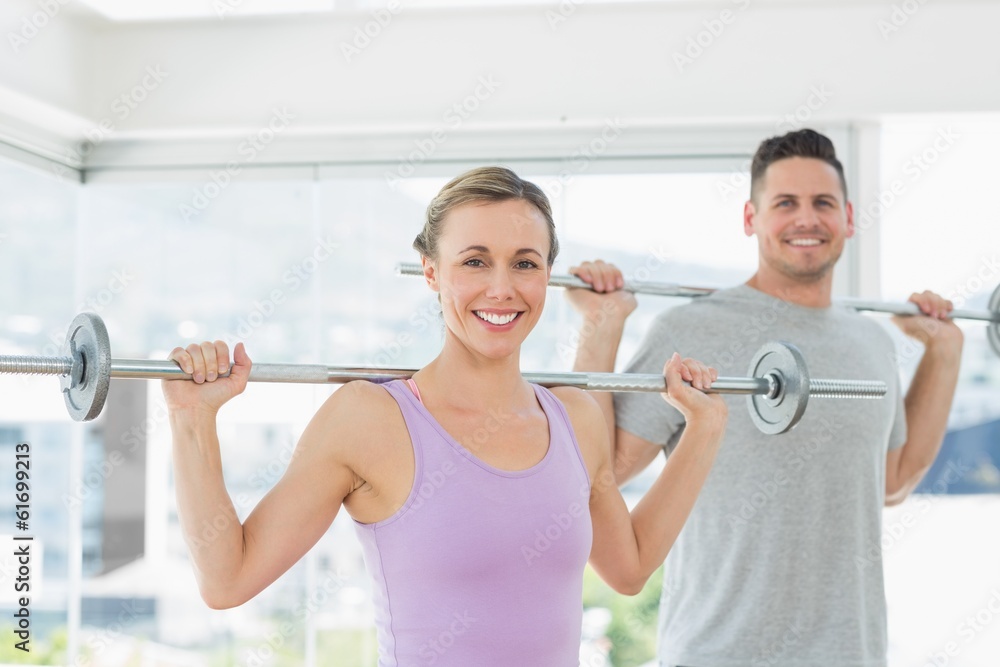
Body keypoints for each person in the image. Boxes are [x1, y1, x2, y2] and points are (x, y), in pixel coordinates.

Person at [163, 166, 729, 666]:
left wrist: (704, 429)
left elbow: (627, 569)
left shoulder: (576, 418)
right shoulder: (369, 419)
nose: (501, 288)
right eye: (474, 261)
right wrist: (192, 420)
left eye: (524, 263)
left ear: (547, 276)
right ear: (431, 272)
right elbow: (227, 579)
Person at [567, 129, 964, 667]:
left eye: (822, 203)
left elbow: (892, 482)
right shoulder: (690, 329)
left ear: (847, 218)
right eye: (785, 203)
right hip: (715, 653)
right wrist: (602, 324)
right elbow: (600, 469)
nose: (806, 219)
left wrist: (943, 352)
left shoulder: (871, 343)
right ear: (751, 219)